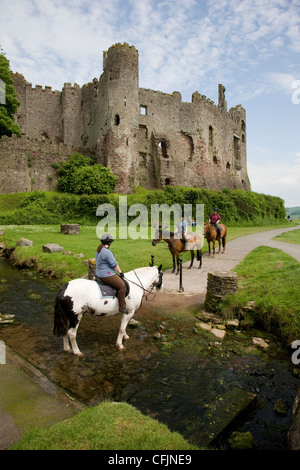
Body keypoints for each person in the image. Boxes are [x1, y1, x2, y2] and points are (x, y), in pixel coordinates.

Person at [95, 234, 126, 315]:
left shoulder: (99, 249)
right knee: (122, 286)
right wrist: (120, 272)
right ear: (109, 243)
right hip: (106, 275)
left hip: (98, 273)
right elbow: (114, 265)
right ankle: (122, 308)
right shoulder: (107, 252)